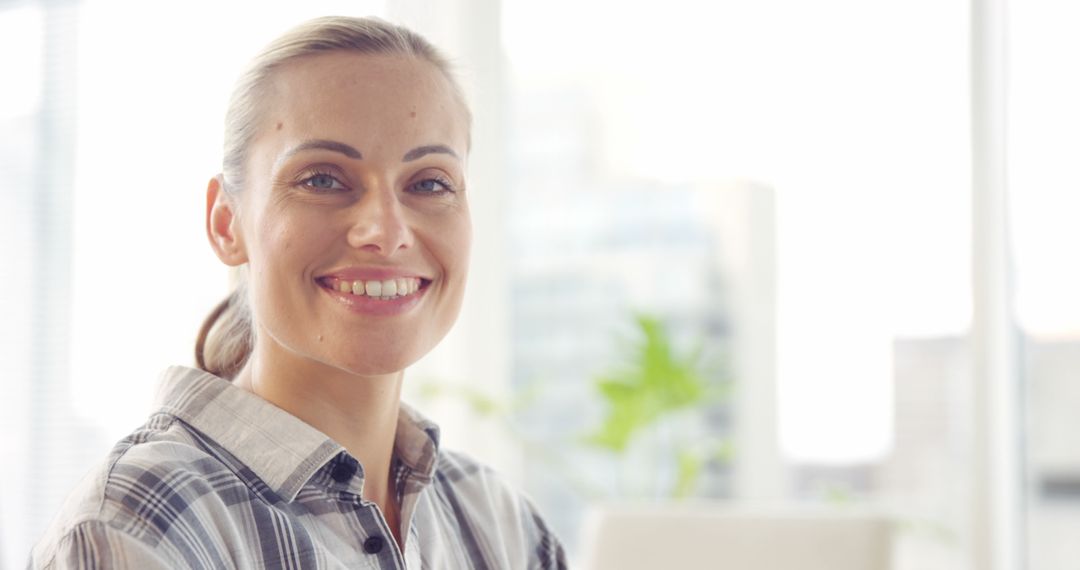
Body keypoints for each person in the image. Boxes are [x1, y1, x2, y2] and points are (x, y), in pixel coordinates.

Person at [30, 16, 566, 569]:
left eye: (429, 182)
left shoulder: (499, 523)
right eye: (322, 179)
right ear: (226, 223)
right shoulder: (138, 527)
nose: (385, 232)